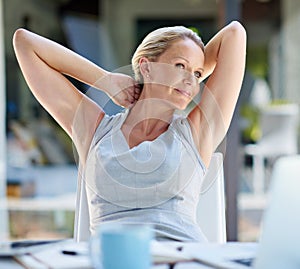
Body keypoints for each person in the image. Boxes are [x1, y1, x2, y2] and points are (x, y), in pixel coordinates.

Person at [13, 21, 246, 242]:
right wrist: (105, 80)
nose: (191, 81)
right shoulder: (95, 131)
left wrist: (180, 79)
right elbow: (25, 43)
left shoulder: (196, 132)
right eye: (180, 65)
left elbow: (235, 34)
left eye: (197, 74)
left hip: (182, 257)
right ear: (146, 67)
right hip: (114, 259)